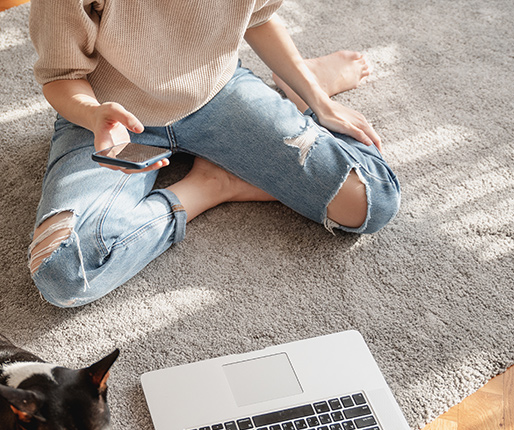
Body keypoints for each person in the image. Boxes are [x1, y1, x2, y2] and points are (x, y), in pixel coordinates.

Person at [27, 0, 400, 307]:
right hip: (105, 114)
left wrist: (320, 103)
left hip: (217, 94)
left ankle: (301, 88)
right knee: (63, 273)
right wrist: (94, 115)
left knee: (371, 200)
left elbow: (258, 17)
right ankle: (212, 184)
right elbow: (60, 75)